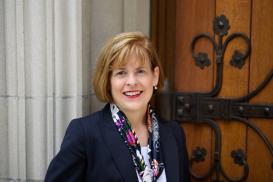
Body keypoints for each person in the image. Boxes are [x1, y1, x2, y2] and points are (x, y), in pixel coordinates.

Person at [45, 32, 190, 182]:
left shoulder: (174, 133)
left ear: (155, 76)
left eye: (140, 71)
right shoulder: (84, 134)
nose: (132, 82)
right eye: (121, 73)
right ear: (108, 81)